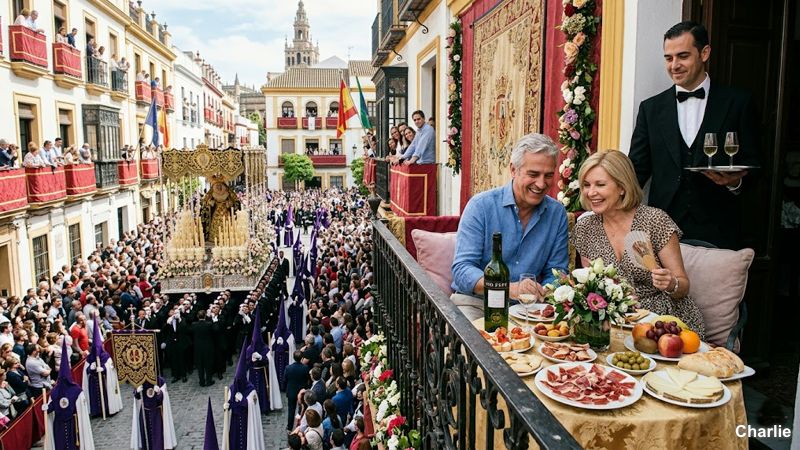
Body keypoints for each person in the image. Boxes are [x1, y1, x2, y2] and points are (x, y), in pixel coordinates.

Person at [628, 21, 759, 249]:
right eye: (668, 58)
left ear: (704, 53)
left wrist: (735, 181)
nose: (674, 65)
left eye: (683, 56)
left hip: (719, 227)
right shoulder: (650, 109)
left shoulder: (738, 102)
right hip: (663, 226)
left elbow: (755, 162)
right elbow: (636, 169)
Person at [573, 150, 706, 336]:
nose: (591, 192)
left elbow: (683, 286)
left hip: (665, 322)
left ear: (622, 187)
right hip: (617, 322)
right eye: (586, 185)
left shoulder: (654, 220)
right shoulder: (585, 228)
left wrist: (671, 284)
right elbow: (592, 287)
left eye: (600, 184)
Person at [450, 133, 569, 318]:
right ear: (513, 170)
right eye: (533, 174)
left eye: (548, 175)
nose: (541, 184)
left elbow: (557, 272)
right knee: (473, 338)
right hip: (476, 303)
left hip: (529, 308)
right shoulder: (481, 206)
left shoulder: (557, 213)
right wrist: (507, 288)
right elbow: (462, 270)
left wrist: (545, 290)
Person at [45, 339, 94, 450]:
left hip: (74, 422)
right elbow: (52, 406)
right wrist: (46, 408)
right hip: (59, 423)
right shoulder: (55, 392)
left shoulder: (76, 391)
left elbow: (81, 408)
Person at [224, 345, 266, 450]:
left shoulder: (251, 390)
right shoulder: (232, 388)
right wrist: (227, 406)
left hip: (247, 420)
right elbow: (229, 402)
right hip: (235, 421)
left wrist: (243, 400)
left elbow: (253, 405)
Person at [82, 317, 123, 417]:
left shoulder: (106, 357)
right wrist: (90, 368)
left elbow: (111, 369)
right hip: (94, 381)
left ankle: (108, 409)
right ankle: (97, 411)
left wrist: (104, 369)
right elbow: (86, 372)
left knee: (105, 396)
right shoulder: (90, 358)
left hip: (104, 381)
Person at [131, 376, 178, 450]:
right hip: (145, 413)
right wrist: (137, 391)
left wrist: (159, 392)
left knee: (158, 435)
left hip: (157, 414)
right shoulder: (139, 379)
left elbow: (163, 398)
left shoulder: (160, 381)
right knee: (146, 436)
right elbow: (137, 397)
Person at [284, 350, 309, 431]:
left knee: (291, 410)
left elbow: (285, 379)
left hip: (291, 391)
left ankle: (289, 427)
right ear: (302, 358)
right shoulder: (305, 368)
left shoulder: (288, 368)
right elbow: (307, 379)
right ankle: (300, 426)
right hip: (301, 392)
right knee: (301, 409)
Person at [190, 310, 215, 387]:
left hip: (197, 348)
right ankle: (209, 381)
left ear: (198, 316)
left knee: (200, 366)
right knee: (208, 365)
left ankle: (201, 382)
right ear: (205, 316)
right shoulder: (209, 324)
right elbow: (214, 331)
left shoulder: (194, 324)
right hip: (207, 347)